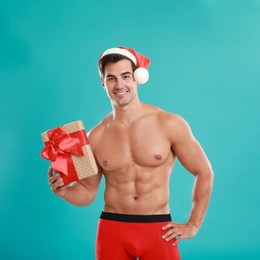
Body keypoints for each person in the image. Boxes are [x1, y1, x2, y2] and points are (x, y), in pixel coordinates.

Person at [48, 46, 214, 260]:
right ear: (103, 83)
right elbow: (87, 193)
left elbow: (204, 172)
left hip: (158, 229)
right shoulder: (94, 137)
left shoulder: (169, 124)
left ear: (137, 78)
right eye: (111, 78)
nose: (119, 85)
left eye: (125, 76)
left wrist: (193, 225)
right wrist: (64, 191)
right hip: (112, 229)